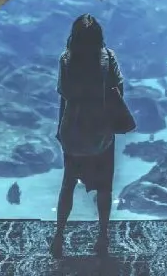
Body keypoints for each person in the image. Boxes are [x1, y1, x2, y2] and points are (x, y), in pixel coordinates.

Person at [50, 14, 124, 258]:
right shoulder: (109, 57)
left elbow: (64, 95)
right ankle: (102, 237)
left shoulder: (66, 59)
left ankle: (58, 237)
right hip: (101, 130)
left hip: (73, 129)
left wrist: (61, 128)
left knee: (68, 184)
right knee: (104, 187)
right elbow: (118, 91)